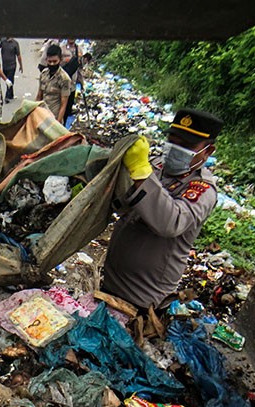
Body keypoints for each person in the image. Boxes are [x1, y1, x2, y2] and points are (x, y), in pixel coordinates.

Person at [102, 109, 224, 312]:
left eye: (186, 146)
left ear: (208, 151)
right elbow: (125, 203)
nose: (176, 149)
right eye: (173, 140)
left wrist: (141, 174)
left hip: (143, 297)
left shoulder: (202, 188)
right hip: (112, 279)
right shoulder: (156, 165)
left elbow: (171, 223)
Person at [35, 44, 72, 124]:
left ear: (60, 60)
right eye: (49, 61)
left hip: (54, 118)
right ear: (46, 59)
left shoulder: (64, 79)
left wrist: (57, 124)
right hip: (42, 116)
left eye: (55, 61)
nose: (52, 64)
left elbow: (63, 104)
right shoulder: (44, 74)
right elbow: (39, 96)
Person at [61, 39, 82, 124]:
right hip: (62, 82)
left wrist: (81, 82)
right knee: (61, 106)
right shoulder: (62, 48)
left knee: (68, 108)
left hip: (72, 84)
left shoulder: (78, 49)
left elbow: (80, 68)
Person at [0, 37, 22, 103]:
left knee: (10, 80)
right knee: (8, 80)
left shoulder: (15, 43)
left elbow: (18, 55)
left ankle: (7, 96)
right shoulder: (2, 42)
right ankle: (11, 95)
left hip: (12, 66)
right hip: (4, 65)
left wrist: (21, 65)